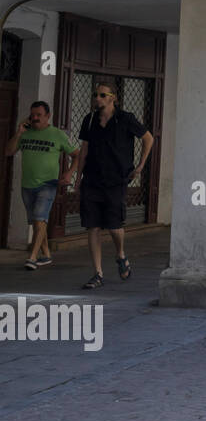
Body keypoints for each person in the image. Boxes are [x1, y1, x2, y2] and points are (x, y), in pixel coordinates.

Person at [70, 82, 153, 289]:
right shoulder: (89, 120)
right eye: (95, 94)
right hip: (92, 179)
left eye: (102, 95)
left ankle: (121, 254)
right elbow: (84, 150)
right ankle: (97, 273)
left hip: (116, 180)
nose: (97, 98)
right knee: (92, 226)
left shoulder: (125, 119)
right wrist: (78, 178)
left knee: (115, 227)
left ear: (112, 98)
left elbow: (148, 138)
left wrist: (141, 165)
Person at [4, 100, 78, 270]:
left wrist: (69, 173)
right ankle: (46, 255)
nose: (35, 118)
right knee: (38, 222)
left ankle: (32, 257)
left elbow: (76, 154)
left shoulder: (57, 134)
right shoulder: (25, 133)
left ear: (48, 116)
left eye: (39, 115)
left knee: (39, 219)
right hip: (27, 185)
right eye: (33, 115)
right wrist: (18, 132)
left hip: (48, 184)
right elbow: (8, 152)